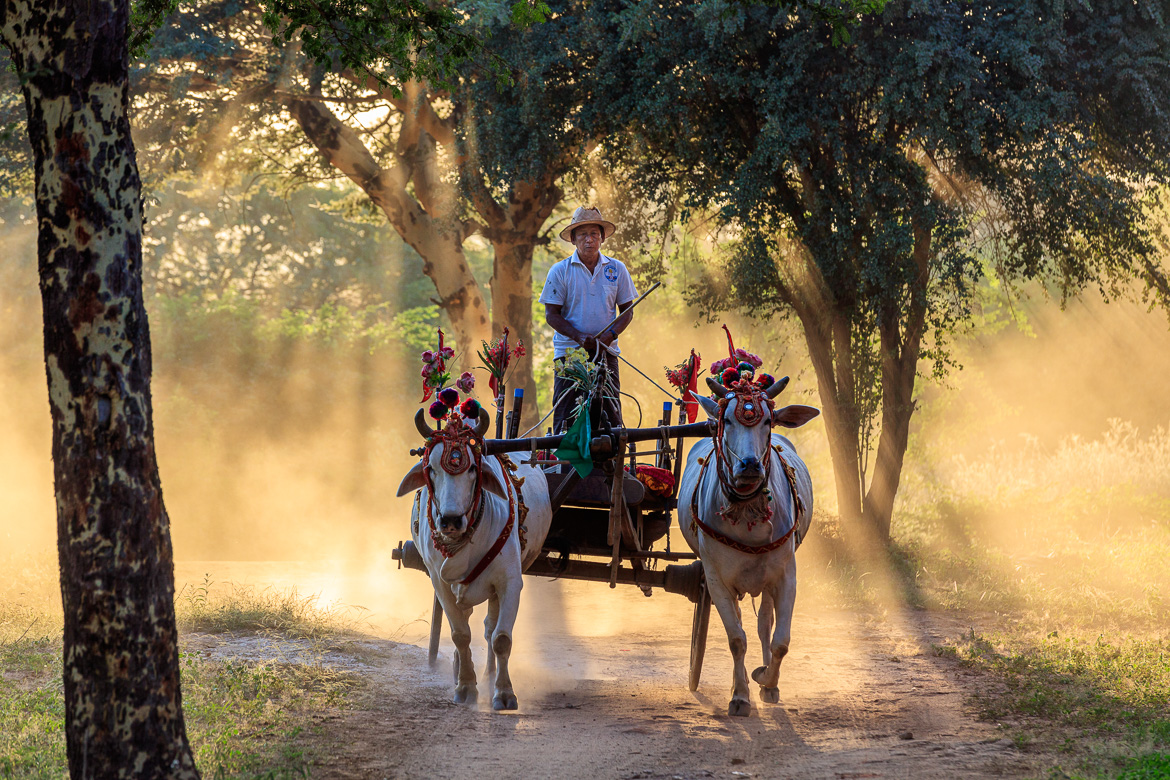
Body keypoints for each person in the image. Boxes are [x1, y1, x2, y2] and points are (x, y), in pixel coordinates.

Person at [539, 206, 637, 433]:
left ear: (602, 238)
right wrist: (579, 336)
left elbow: (627, 312)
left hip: (606, 354)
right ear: (573, 239)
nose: (589, 240)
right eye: (582, 234)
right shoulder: (559, 271)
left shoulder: (617, 269)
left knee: (610, 416)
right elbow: (551, 315)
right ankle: (564, 467)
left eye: (594, 234)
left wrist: (609, 337)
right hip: (569, 356)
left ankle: (610, 466)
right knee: (567, 417)